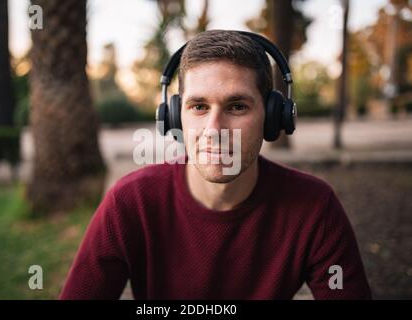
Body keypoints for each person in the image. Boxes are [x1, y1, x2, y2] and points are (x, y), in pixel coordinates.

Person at [60, 30, 371, 300]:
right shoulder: (130, 203)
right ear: (173, 117)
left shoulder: (315, 208)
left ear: (274, 116)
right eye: (198, 106)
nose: (214, 129)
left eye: (237, 106)